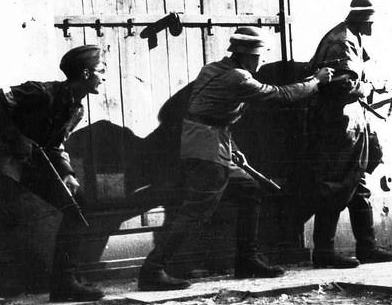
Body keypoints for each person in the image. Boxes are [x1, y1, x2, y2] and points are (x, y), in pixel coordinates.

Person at [137, 26, 335, 291]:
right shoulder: (238, 78)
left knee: (249, 191)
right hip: (207, 151)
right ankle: (153, 270)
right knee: (195, 211)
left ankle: (247, 259)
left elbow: (212, 113)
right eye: (259, 56)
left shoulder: (213, 69)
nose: (261, 61)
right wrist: (316, 81)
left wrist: (232, 146)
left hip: (211, 143)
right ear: (249, 56)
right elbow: (280, 95)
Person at [0, 44, 107, 305]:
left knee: (77, 205)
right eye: (100, 70)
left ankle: (64, 282)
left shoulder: (75, 109)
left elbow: (56, 145)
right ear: (85, 73)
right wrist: (16, 138)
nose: (103, 76)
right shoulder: (41, 92)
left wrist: (67, 173)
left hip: (29, 163)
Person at [301, 0, 392, 268]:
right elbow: (341, 86)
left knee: (358, 182)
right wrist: (369, 87)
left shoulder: (351, 36)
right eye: (371, 23)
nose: (372, 27)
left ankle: (367, 247)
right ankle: (323, 252)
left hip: (348, 122)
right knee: (335, 185)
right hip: (335, 125)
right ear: (362, 21)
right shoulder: (342, 41)